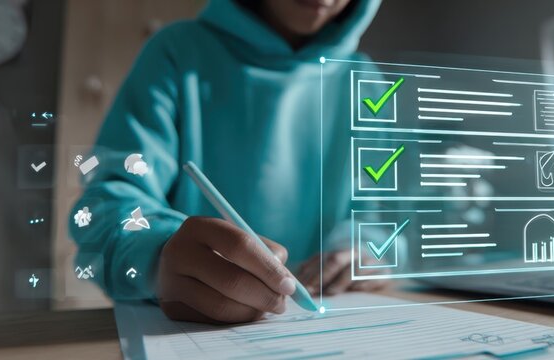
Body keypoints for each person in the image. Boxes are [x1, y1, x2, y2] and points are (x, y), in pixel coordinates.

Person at [70, 0, 383, 324]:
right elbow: (102, 208)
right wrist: (156, 255)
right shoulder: (177, 53)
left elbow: (380, 216)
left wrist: (364, 250)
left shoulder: (365, 81)